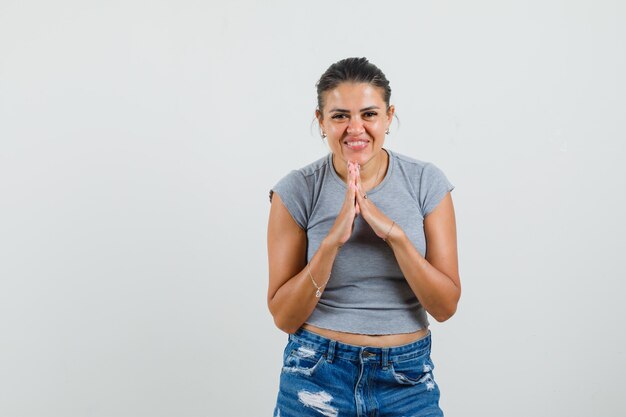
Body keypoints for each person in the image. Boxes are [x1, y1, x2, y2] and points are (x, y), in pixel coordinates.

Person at [267, 57, 460, 417]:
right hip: (315, 374)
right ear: (321, 121)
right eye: (340, 116)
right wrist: (331, 243)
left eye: (369, 114)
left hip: (407, 380)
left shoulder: (425, 183)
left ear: (389, 117)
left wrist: (395, 237)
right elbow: (284, 317)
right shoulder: (296, 190)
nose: (355, 128)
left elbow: (445, 307)